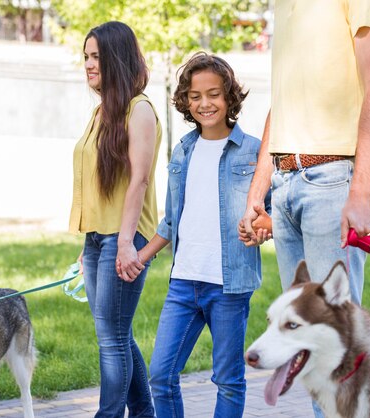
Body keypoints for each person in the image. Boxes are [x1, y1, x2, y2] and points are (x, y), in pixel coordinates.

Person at [239, 2, 370, 417]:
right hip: (287, 183)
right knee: (307, 345)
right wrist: (260, 183)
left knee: (340, 346)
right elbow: (283, 102)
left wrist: (360, 192)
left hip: (331, 181)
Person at [126, 52, 271, 418]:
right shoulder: (183, 150)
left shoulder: (255, 151)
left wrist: (260, 231)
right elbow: (172, 220)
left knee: (228, 379)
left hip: (229, 285)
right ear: (186, 101)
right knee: (161, 374)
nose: (205, 103)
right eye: (195, 96)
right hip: (183, 283)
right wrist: (139, 258)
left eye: (214, 94)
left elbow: (271, 215)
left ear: (230, 97)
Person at [68, 21, 162, 418]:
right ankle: (143, 413)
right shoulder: (100, 112)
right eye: (86, 57)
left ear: (117, 59)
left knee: (111, 340)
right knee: (116, 335)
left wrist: (125, 243)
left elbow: (138, 179)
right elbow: (96, 186)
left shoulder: (139, 110)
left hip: (125, 239)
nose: (89, 65)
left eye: (97, 57)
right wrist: (86, 246)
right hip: (97, 240)